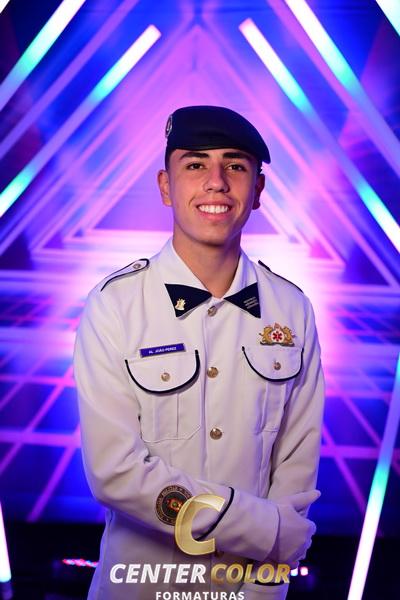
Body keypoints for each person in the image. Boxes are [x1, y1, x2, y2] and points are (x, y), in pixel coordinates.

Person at [74, 105, 325, 600]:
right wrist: (262, 529)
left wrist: (261, 588)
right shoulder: (114, 306)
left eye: (235, 165)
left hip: (249, 590)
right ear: (166, 186)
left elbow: (295, 474)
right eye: (195, 164)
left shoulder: (292, 310)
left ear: (258, 190)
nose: (216, 182)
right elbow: (114, 473)